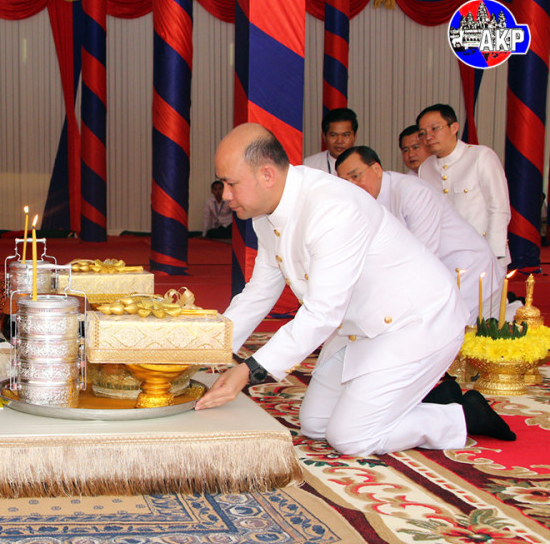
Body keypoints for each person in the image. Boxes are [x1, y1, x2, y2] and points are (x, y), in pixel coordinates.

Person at [197, 123, 514, 456]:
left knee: (351, 438)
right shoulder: (268, 213)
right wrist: (205, 350)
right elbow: (259, 292)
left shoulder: (331, 207)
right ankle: (426, 400)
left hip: (415, 322)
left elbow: (322, 313)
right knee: (316, 424)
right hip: (361, 326)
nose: (226, 195)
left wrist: (248, 371)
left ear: (266, 175)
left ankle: (460, 416)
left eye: (231, 183)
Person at [336, 145, 507, 322]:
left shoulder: (412, 192)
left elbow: (424, 255)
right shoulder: (364, 204)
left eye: (356, 176)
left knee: (467, 336)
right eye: (345, 182)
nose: (352, 186)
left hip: (469, 276)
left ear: (376, 169)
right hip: (436, 282)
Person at [416, 103, 510, 264]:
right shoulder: (425, 168)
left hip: (482, 253)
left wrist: (493, 253)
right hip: (446, 256)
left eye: (435, 129)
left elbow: (498, 207)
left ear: (454, 128)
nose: (428, 137)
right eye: (423, 133)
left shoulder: (480, 156)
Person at [303, 107, 358, 176]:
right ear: (324, 136)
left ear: (355, 136)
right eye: (333, 135)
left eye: (345, 135)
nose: (339, 141)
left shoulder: (365, 164)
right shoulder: (310, 165)